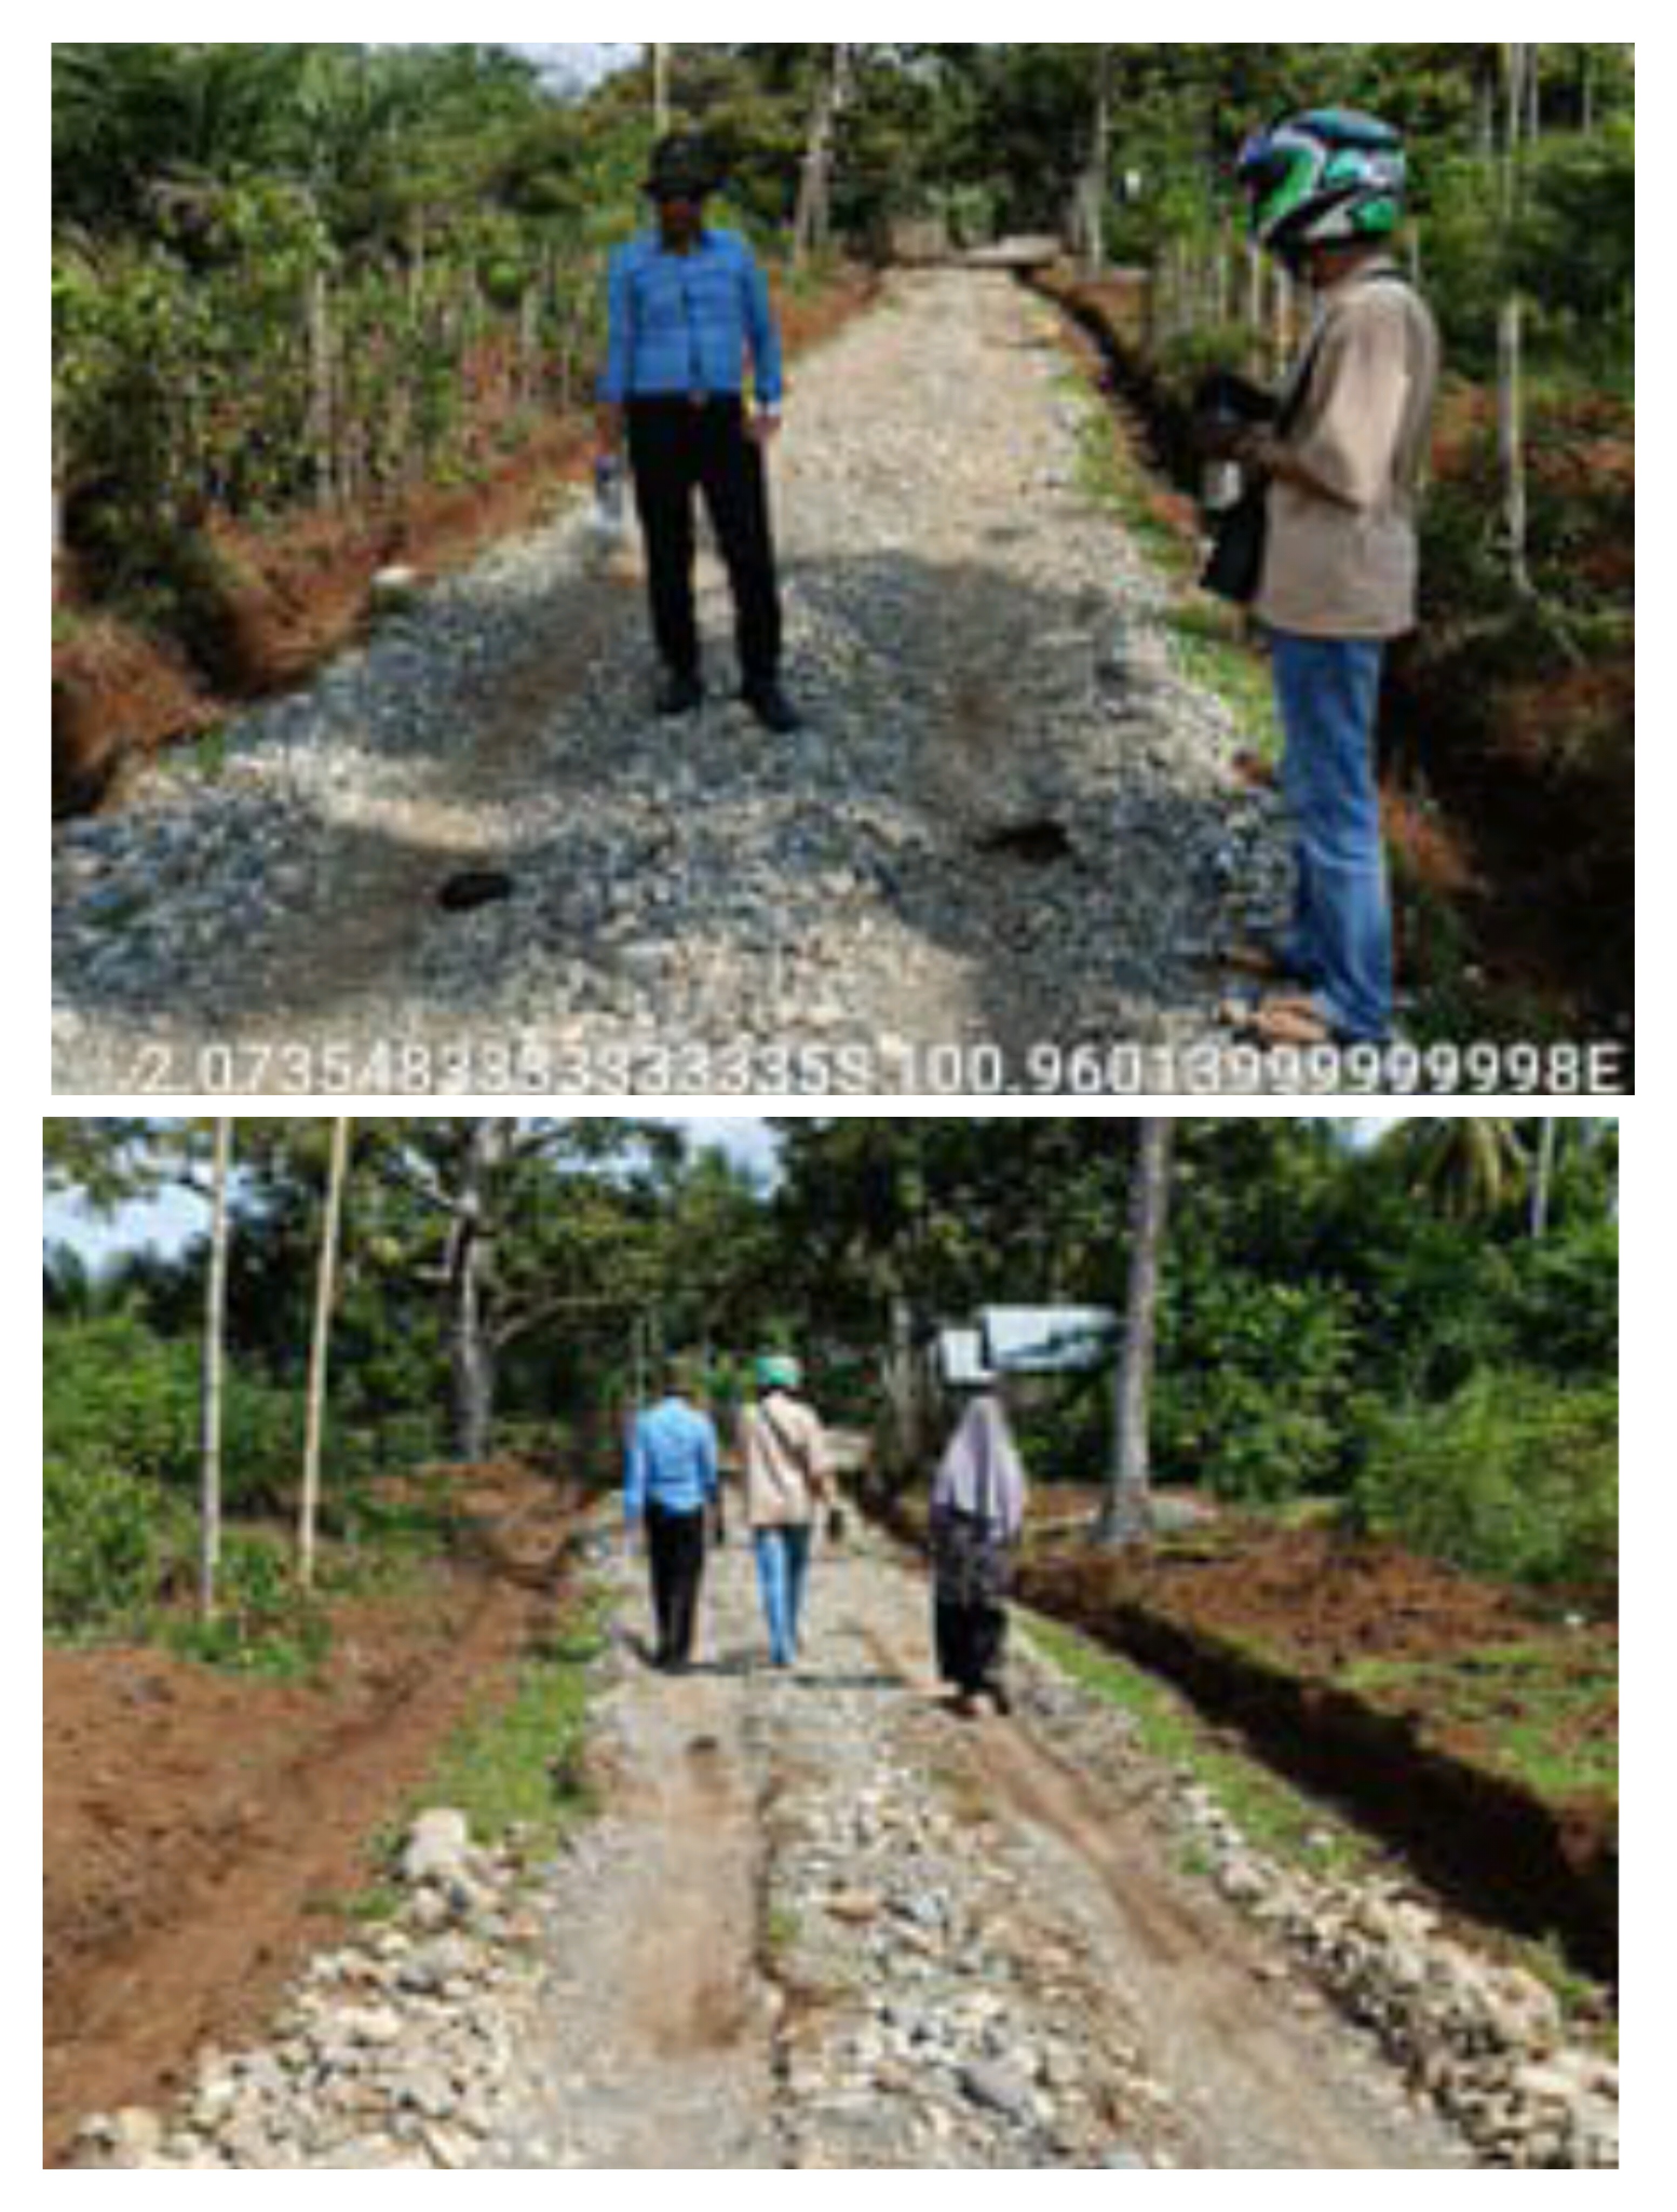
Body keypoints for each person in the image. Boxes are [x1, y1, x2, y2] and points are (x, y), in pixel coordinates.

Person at [1208, 109, 1440, 1051]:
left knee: (1337, 796)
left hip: (1339, 590)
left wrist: (1251, 444)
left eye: (1274, 189)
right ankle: (1314, 949)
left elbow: (1346, 465)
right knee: (1313, 782)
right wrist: (1271, 419)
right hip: (1318, 586)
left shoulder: (1373, 313)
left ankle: (1354, 1003)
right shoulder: (1356, 307)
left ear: (1329, 191)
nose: (1267, 213)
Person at [596, 133, 801, 734]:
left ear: (704, 200)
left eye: (688, 195)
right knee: (668, 551)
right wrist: (608, 431)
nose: (678, 207)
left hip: (722, 418)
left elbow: (762, 330)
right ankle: (682, 672)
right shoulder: (629, 263)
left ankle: (762, 678)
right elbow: (621, 344)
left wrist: (768, 398)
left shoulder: (735, 255)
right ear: (655, 202)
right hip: (654, 419)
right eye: (668, 196)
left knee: (749, 550)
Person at [930, 1376, 1028, 1717]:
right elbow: (1016, 1510)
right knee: (990, 1613)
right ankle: (990, 1677)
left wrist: (941, 1542)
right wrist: (1008, 1540)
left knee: (957, 1613)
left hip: (957, 1552)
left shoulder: (953, 1458)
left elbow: (938, 1508)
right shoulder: (1009, 1459)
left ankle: (968, 1687)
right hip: (994, 1550)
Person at [623, 1358, 721, 1672]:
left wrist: (632, 1516)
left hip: (657, 1510)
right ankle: (682, 1650)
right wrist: (717, 1511)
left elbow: (636, 1474)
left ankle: (665, 1642)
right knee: (688, 1579)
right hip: (691, 1510)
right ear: (688, 1389)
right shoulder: (701, 1423)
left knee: (661, 1577)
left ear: (661, 1388)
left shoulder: (645, 1423)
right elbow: (710, 1473)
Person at [739, 1354, 829, 1670]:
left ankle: (782, 1648)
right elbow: (818, 1467)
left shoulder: (748, 1417)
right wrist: (830, 1502)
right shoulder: (805, 1416)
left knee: (771, 1579)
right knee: (795, 1575)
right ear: (793, 1381)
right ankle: (790, 1631)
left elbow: (743, 1460)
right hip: (798, 1506)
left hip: (762, 1507)